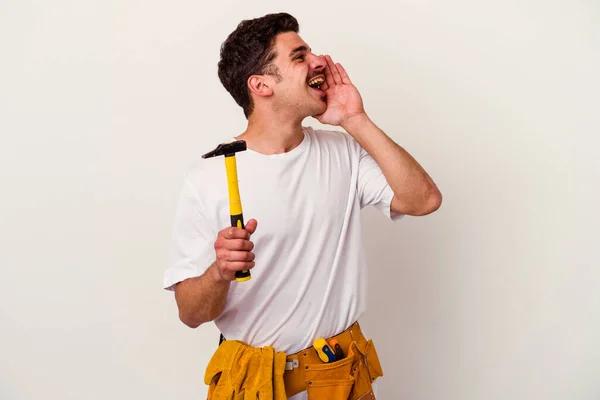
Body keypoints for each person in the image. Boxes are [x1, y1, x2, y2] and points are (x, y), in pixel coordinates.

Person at [164, 12, 442, 399]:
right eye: (299, 56)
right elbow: (191, 314)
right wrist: (218, 272)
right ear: (261, 85)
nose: (319, 61)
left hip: (340, 379)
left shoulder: (344, 152)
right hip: (253, 385)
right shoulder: (207, 177)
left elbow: (424, 200)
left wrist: (355, 119)